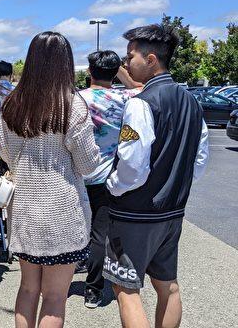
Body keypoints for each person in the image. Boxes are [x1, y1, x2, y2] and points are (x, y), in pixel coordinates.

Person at [104, 24, 209, 328]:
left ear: (150, 59)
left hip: (135, 212)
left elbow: (132, 166)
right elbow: (198, 159)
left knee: (126, 288)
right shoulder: (191, 101)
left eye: (130, 56)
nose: (126, 63)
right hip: (172, 210)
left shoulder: (141, 103)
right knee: (168, 286)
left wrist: (113, 186)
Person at [0, 32, 100, 328]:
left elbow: (1, 147)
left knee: (27, 288)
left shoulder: (13, 103)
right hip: (63, 213)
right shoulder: (72, 105)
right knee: (54, 297)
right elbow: (89, 165)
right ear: (65, 63)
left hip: (25, 209)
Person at [77, 50, 143, 308]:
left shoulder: (76, 99)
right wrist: (122, 74)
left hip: (78, 175)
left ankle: (60, 278)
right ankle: (93, 291)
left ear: (89, 72)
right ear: (114, 72)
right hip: (107, 176)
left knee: (76, 231)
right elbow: (141, 86)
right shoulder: (128, 97)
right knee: (99, 235)